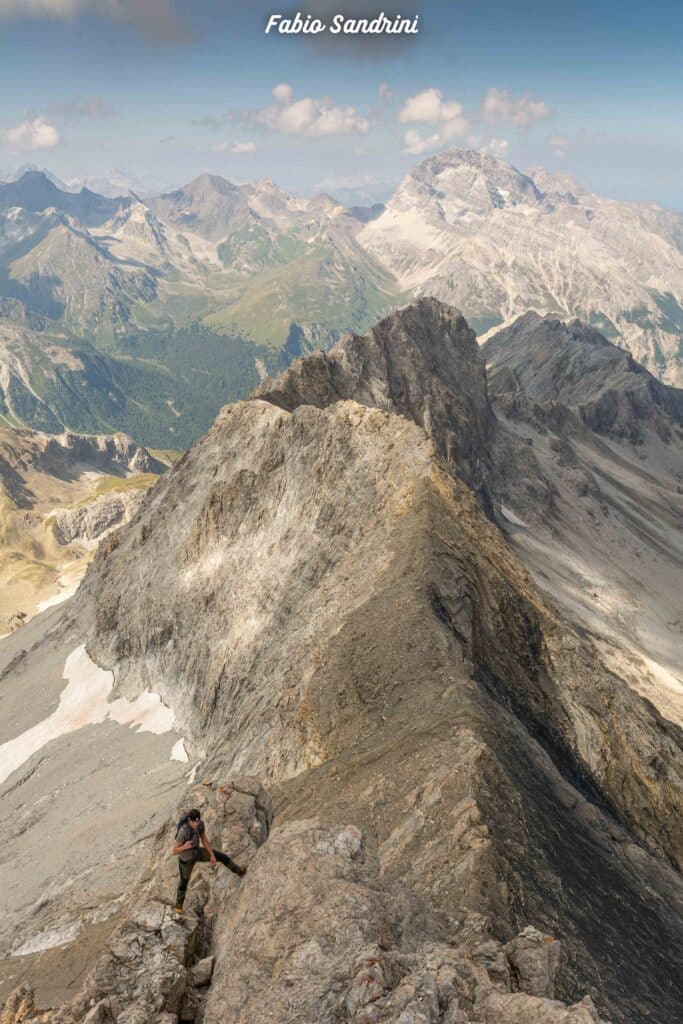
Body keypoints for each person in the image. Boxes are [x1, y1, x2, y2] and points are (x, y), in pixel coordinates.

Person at [172, 808, 245, 912]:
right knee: (184, 882)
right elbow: (174, 851)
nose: (195, 824)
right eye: (193, 822)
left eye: (197, 822)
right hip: (186, 859)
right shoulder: (183, 831)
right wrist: (184, 847)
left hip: (197, 852)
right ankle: (178, 907)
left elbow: (204, 839)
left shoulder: (200, 824)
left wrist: (212, 855)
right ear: (189, 820)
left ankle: (239, 871)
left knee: (222, 856)